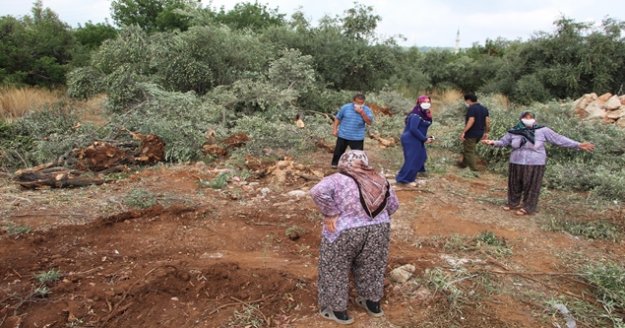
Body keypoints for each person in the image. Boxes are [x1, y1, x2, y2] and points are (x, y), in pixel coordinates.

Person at [309, 150, 399, 324]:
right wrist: (377, 220)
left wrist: (331, 213)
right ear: (365, 163)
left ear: (343, 163)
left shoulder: (335, 179)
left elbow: (316, 192)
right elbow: (394, 205)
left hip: (344, 231)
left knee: (335, 268)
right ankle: (372, 304)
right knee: (372, 266)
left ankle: (337, 311)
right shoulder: (379, 179)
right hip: (378, 230)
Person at [482, 111, 595, 215]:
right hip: (516, 161)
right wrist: (492, 142)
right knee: (514, 184)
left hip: (535, 162)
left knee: (532, 185)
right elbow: (503, 141)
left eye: (530, 117)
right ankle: (513, 203)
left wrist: (577, 144)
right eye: (525, 117)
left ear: (535, 120)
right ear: (520, 119)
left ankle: (528, 207)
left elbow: (559, 139)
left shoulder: (543, 130)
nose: (528, 119)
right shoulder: (514, 131)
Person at [396, 95, 434, 185]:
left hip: (417, 138)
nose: (427, 104)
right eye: (424, 102)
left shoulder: (425, 113)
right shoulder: (416, 114)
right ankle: (403, 179)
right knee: (413, 159)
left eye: (428, 102)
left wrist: (426, 137)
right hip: (411, 139)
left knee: (421, 156)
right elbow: (413, 129)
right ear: (419, 102)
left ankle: (411, 175)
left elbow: (421, 127)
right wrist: (424, 139)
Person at [331, 93, 374, 168]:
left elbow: (369, 122)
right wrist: (334, 129)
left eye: (361, 103)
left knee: (358, 156)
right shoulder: (345, 107)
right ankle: (335, 165)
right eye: (358, 103)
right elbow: (338, 118)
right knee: (338, 152)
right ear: (353, 101)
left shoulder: (366, 110)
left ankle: (358, 167)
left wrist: (361, 112)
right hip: (343, 134)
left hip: (357, 137)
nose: (360, 104)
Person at [459, 93, 490, 171]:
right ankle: (463, 164)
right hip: (480, 133)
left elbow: (471, 120)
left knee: (469, 151)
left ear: (469, 100)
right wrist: (486, 132)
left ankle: (474, 169)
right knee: (468, 148)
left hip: (471, 133)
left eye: (466, 101)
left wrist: (464, 132)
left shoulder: (472, 108)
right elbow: (487, 121)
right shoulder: (484, 108)